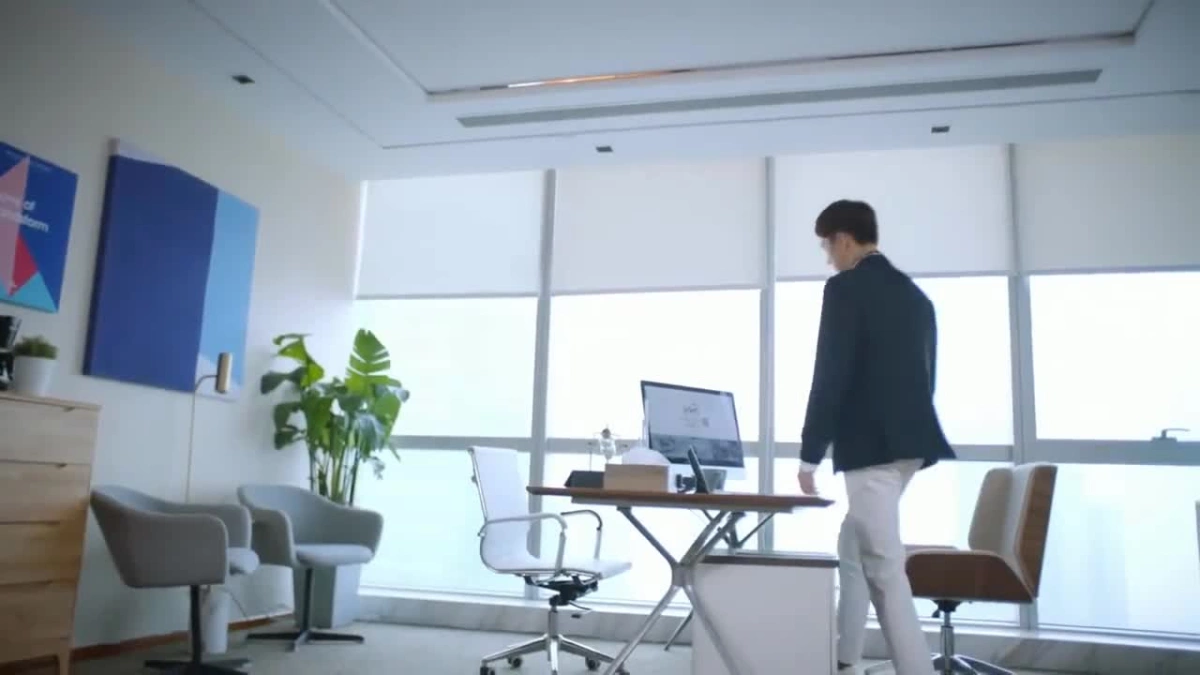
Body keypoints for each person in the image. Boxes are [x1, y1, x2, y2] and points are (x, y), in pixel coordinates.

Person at [797, 199, 954, 674]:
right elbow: (926, 376)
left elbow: (831, 372)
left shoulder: (845, 288)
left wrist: (810, 454)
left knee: (884, 568)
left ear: (844, 240)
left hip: (871, 449)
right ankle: (845, 656)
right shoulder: (915, 296)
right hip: (911, 447)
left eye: (827, 247)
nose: (829, 258)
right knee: (854, 542)